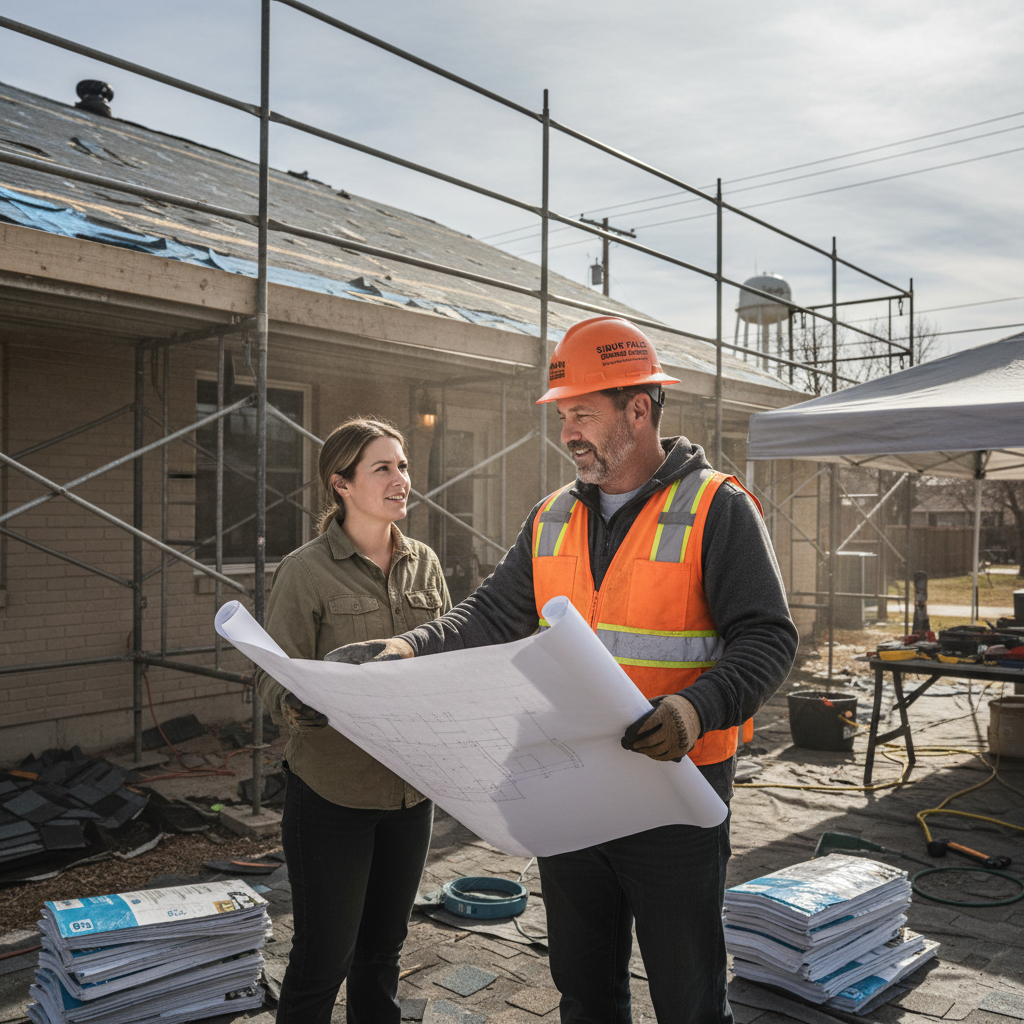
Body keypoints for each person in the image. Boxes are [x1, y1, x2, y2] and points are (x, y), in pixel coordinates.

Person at [331, 317, 799, 1024]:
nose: (568, 431)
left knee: (689, 999)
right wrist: (404, 649)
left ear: (638, 410)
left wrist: (695, 710)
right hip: (571, 794)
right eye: (563, 415)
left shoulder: (716, 507)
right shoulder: (550, 518)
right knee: (584, 991)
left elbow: (766, 639)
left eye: (583, 412)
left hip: (675, 796)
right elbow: (488, 615)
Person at [254, 418, 451, 1024]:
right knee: (321, 961)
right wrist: (299, 701)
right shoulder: (305, 570)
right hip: (332, 796)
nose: (401, 480)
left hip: (409, 792)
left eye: (403, 466)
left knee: (382, 955)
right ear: (341, 484)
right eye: (383, 468)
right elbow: (269, 676)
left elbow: (443, 653)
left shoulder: (425, 563)